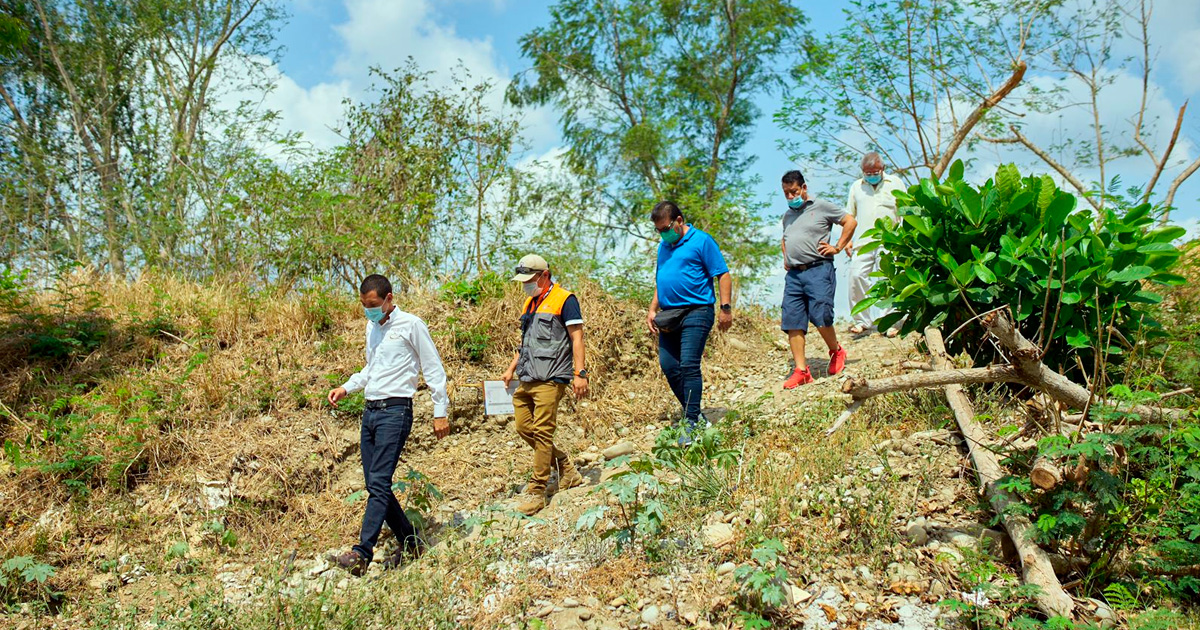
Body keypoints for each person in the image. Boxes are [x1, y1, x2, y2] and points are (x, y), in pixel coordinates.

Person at [326, 274, 450, 575]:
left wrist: (439, 410)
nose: (368, 310)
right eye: (364, 305)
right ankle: (411, 542)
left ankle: (361, 553)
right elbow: (372, 367)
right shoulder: (372, 327)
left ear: (389, 299)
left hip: (395, 411)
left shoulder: (411, 325)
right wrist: (347, 386)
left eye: (373, 305)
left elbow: (433, 368)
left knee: (379, 483)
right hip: (370, 411)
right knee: (374, 484)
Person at [501, 254, 589, 516]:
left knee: (542, 432)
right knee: (523, 426)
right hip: (527, 377)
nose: (526, 285)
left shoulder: (565, 299)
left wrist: (580, 373)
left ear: (544, 275)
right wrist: (511, 368)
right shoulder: (530, 302)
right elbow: (526, 341)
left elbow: (577, 338)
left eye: (530, 280)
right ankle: (564, 466)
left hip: (551, 378)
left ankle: (538, 491)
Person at [645, 201, 732, 437]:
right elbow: (661, 280)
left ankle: (691, 421)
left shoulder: (701, 241)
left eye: (665, 228)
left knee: (688, 364)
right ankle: (695, 413)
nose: (663, 234)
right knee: (669, 365)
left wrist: (725, 308)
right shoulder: (664, 247)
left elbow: (722, 274)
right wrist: (652, 309)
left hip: (697, 310)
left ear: (679, 221)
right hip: (669, 315)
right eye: (659, 230)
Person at [780, 170, 858, 388]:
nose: (790, 196)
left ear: (804, 188)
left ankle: (836, 351)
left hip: (818, 269)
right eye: (786, 193)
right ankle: (801, 371)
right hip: (794, 274)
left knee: (821, 314)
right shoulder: (787, 216)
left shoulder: (821, 206)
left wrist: (838, 246)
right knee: (792, 320)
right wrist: (786, 256)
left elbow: (850, 221)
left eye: (793, 191)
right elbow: (785, 238)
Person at [846, 152, 904, 336]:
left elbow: (904, 210)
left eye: (874, 171)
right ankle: (862, 321)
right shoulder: (856, 187)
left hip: (889, 240)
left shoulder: (895, 182)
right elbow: (849, 215)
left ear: (883, 169)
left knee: (889, 279)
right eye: (867, 172)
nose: (871, 175)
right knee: (856, 277)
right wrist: (846, 239)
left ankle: (892, 320)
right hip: (863, 241)